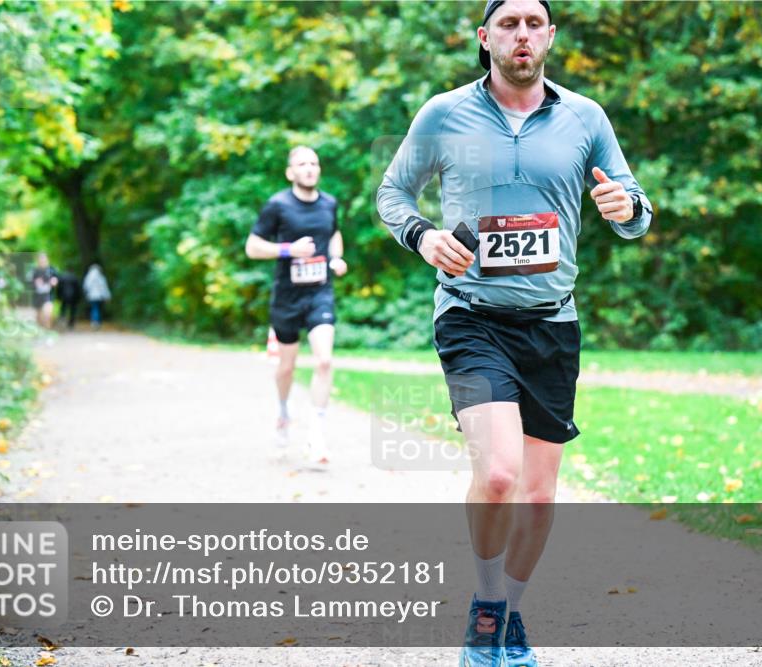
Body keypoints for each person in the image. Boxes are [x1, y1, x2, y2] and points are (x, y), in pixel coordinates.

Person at [377, 2, 654, 665]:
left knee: (538, 492)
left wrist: (629, 208)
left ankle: (509, 614)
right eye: (509, 23)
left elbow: (634, 207)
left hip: (553, 323)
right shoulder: (445, 114)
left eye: (535, 22)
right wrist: (423, 237)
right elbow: (392, 193)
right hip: (471, 317)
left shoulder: (586, 117)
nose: (522, 33)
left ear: (551, 36)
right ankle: (487, 604)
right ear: (485, 37)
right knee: (498, 473)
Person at [245, 146, 347, 464]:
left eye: (314, 163)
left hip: (320, 294)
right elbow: (252, 247)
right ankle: (283, 411)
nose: (309, 168)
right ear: (291, 172)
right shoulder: (277, 205)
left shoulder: (329, 203)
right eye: (302, 164)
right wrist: (289, 250)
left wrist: (337, 258)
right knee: (286, 366)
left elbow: (334, 234)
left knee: (325, 361)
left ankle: (316, 434)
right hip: (287, 298)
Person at [29, 252, 58, 330]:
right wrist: (35, 283)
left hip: (48, 296)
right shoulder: (34, 271)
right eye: (40, 259)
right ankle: (41, 331)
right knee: (39, 317)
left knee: (47, 314)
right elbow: (29, 283)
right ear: (38, 260)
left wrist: (55, 281)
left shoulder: (52, 269)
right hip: (37, 297)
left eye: (44, 259)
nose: (42, 261)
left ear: (47, 259)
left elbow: (57, 279)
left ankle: (48, 331)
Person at [83, 263, 111, 330]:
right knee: (98, 308)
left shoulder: (88, 277)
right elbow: (104, 287)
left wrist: (87, 293)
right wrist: (107, 296)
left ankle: (94, 322)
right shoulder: (101, 277)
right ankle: (97, 322)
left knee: (94, 308)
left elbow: (86, 286)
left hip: (92, 296)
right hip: (100, 296)